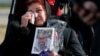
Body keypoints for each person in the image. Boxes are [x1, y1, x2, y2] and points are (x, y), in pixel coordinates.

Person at [0, 0, 85, 56]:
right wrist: (20, 31)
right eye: (30, 11)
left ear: (46, 11)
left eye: (38, 10)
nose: (35, 15)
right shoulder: (21, 34)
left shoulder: (66, 33)